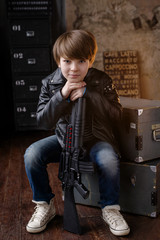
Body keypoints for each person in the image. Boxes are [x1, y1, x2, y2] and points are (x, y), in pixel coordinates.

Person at [24, 29, 130, 236]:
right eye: (67, 61)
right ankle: (45, 204)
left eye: (81, 61)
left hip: (97, 139)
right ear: (58, 61)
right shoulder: (50, 83)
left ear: (90, 61)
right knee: (32, 154)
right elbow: (43, 121)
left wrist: (90, 94)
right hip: (65, 139)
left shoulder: (102, 80)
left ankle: (110, 208)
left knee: (108, 159)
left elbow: (118, 116)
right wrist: (61, 96)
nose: (74, 68)